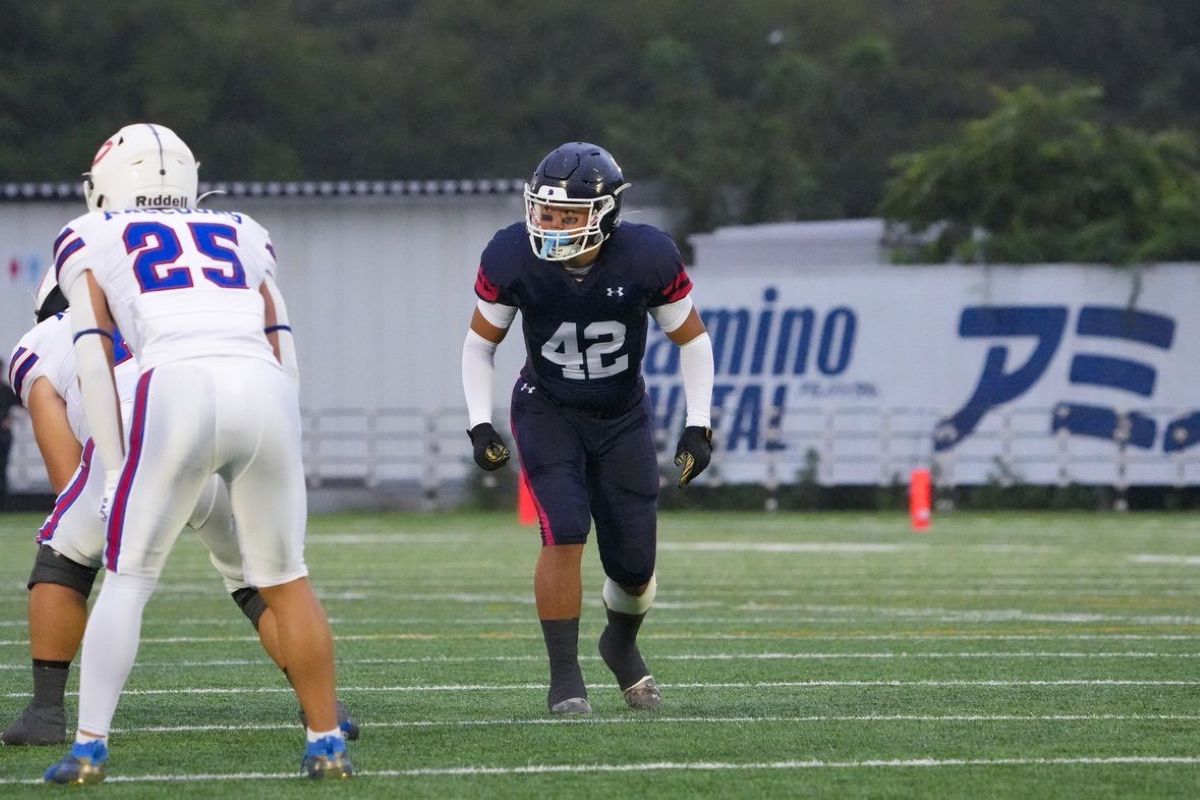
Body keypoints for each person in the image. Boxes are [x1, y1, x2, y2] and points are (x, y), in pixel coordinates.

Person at [43, 123, 351, 782]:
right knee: (286, 579)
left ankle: (89, 747)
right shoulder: (241, 228)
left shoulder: (89, 233)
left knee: (128, 577)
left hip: (176, 383)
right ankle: (327, 743)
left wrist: (116, 466)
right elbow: (281, 335)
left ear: (106, 184)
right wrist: (286, 431)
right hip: (263, 387)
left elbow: (93, 352)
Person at [3, 268, 358, 748]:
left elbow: (61, 456)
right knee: (264, 581)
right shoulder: (168, 309)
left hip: (135, 441)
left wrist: (86, 515)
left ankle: (45, 712)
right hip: (223, 432)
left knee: (64, 555)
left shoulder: (44, 338)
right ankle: (324, 708)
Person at [461, 142, 715, 714]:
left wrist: (698, 425)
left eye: (566, 216)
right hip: (548, 408)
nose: (550, 226)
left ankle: (619, 645)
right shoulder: (511, 255)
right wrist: (479, 424)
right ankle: (565, 677)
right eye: (544, 212)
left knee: (635, 567)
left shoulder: (647, 256)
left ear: (604, 214)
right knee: (565, 529)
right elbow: (479, 345)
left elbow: (693, 341)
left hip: (622, 416)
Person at [0, 356, 18, 511]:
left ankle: (3, 503)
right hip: (4, 435)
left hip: (3, 436)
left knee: (2, 467)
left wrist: (10, 419)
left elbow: (23, 406)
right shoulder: (6, 390)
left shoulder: (6, 390)